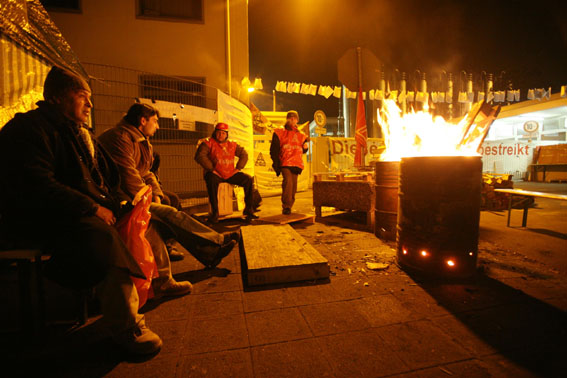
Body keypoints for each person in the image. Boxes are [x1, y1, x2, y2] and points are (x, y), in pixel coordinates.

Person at [0, 66, 161, 355]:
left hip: (78, 211)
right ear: (58, 97)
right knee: (103, 236)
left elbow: (104, 177)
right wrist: (91, 206)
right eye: (82, 97)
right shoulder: (29, 130)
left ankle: (162, 282)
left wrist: (119, 203)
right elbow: (35, 184)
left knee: (148, 215)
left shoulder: (77, 132)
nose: (90, 105)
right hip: (43, 218)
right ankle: (126, 325)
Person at [98, 103, 237, 271]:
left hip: (134, 193)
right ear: (143, 120)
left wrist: (157, 193)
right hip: (121, 198)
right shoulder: (120, 138)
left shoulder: (141, 140)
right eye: (155, 121)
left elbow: (147, 172)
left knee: (171, 199)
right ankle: (217, 242)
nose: (157, 126)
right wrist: (151, 197)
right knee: (168, 212)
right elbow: (130, 179)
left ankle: (206, 252)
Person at [194, 122, 259, 223]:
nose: (221, 135)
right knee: (211, 182)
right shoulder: (208, 143)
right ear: (215, 132)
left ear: (227, 134)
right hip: (214, 173)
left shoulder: (232, 144)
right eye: (219, 132)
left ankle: (249, 210)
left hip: (230, 174)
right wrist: (211, 169)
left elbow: (244, 154)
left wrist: (238, 169)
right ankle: (215, 213)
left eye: (223, 133)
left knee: (248, 180)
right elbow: (200, 156)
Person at [270, 110, 310, 214]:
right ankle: (286, 206)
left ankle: (289, 206)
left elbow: (303, 149)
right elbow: (274, 149)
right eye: (290, 117)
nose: (292, 119)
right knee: (288, 182)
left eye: (294, 118)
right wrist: (276, 163)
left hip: (296, 163)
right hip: (285, 162)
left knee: (293, 186)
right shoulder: (280, 132)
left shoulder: (301, 135)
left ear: (297, 120)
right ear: (287, 119)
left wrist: (306, 148)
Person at [149, 151, 184, 261]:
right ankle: (166, 246)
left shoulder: (152, 169)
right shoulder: (128, 144)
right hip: (139, 194)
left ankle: (171, 243)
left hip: (150, 190)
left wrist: (158, 194)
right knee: (167, 203)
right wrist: (157, 197)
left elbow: (153, 181)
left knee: (174, 198)